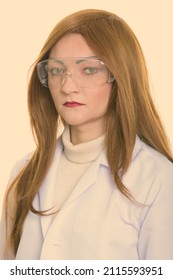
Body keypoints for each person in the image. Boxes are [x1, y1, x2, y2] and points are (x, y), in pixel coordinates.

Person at [0, 9, 173, 260]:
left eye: (89, 70)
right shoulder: (24, 173)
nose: (68, 87)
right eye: (57, 70)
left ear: (121, 76)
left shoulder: (158, 180)